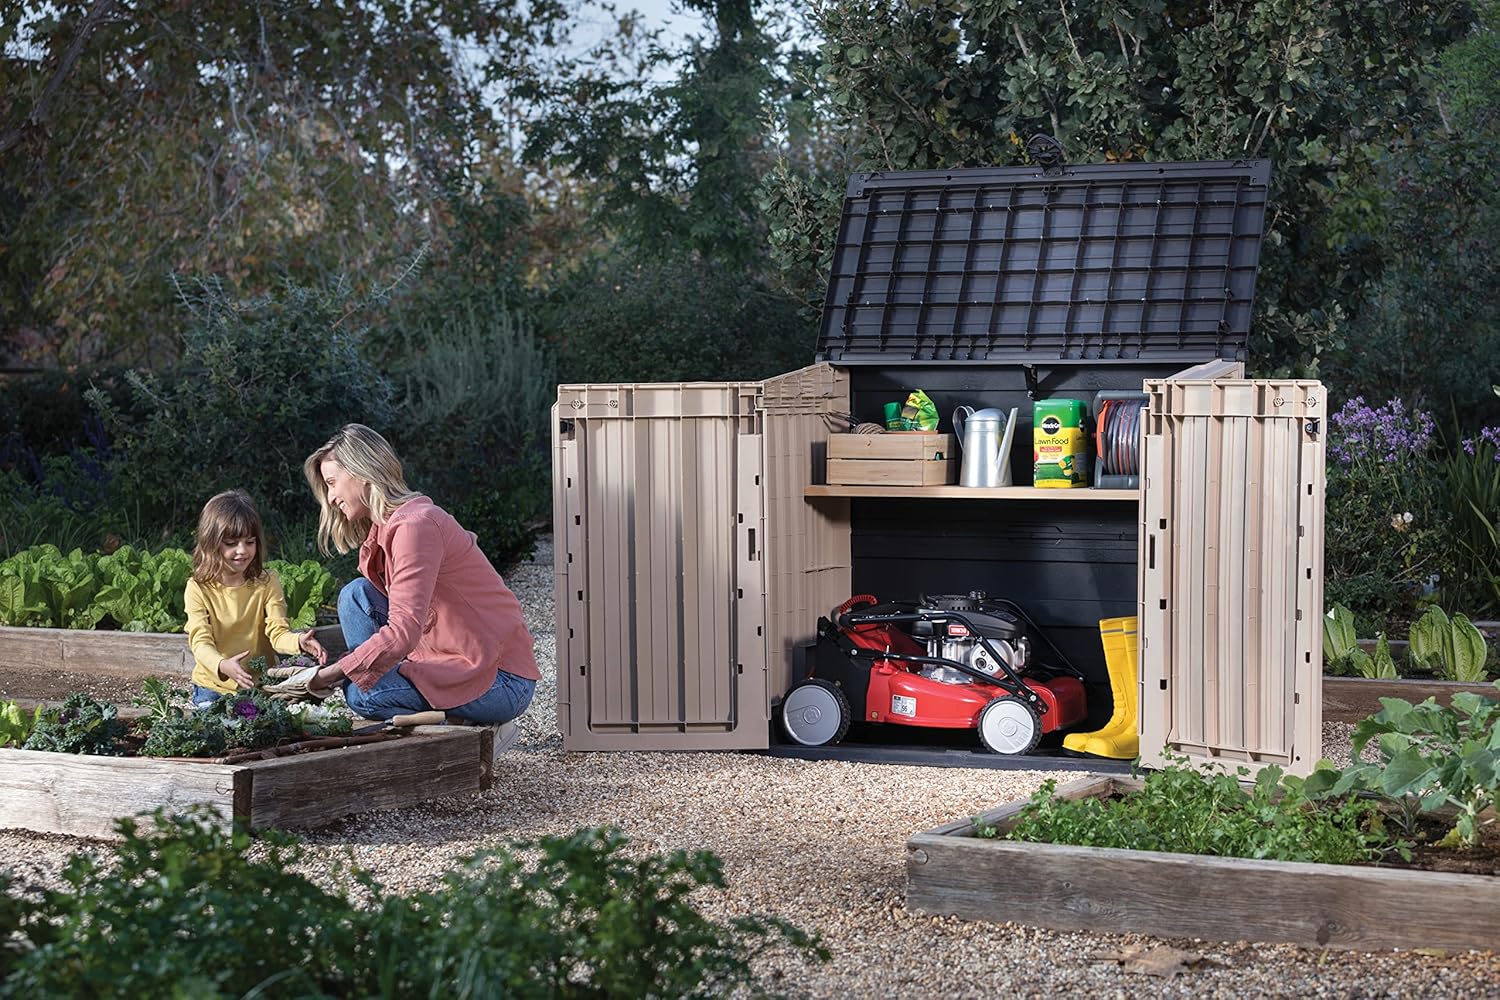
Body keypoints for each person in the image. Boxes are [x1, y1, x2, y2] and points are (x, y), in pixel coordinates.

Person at [275, 423, 538, 752]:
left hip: (500, 678)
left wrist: (324, 676)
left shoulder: (416, 527)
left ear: (363, 472)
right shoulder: (388, 529)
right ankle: (430, 708)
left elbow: (403, 633)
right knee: (356, 596)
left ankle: (469, 735)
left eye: (331, 483)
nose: (330, 497)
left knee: (362, 694)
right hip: (454, 659)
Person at [185, 490, 328, 709]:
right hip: (214, 687)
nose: (242, 551)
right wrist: (223, 665)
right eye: (231, 543)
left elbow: (277, 633)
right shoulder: (198, 588)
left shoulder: (267, 581)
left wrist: (299, 642)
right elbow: (200, 642)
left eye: (249, 542)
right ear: (211, 543)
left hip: (262, 685)